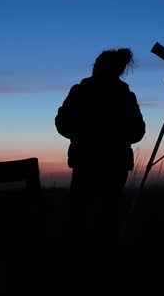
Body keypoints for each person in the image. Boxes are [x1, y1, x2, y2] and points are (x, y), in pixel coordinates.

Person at [55, 48, 146, 252]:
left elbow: (61, 123)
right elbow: (137, 132)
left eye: (96, 64)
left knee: (78, 215)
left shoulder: (80, 92)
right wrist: (117, 137)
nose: (94, 67)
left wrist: (82, 135)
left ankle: (75, 252)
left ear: (100, 67)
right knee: (110, 216)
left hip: (85, 160)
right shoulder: (125, 96)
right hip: (115, 163)